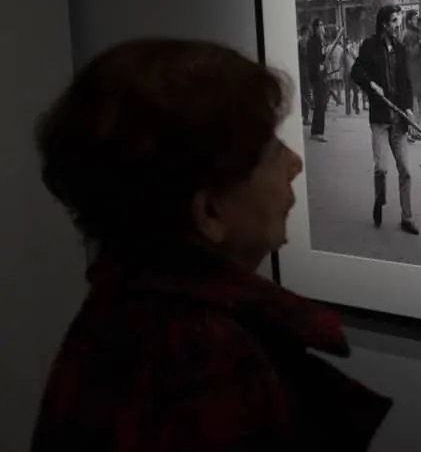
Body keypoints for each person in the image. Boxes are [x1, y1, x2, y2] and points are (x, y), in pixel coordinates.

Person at [29, 38, 392, 452]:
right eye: (270, 148)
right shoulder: (205, 360)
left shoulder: (118, 316)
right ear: (210, 212)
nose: (295, 162)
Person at [350, 5, 419, 235]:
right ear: (384, 24)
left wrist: (408, 108)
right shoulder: (370, 46)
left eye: (398, 21)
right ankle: (379, 201)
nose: (397, 26)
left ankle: (407, 218)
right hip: (380, 118)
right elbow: (356, 72)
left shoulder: (401, 48)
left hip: (398, 118)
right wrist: (371, 85)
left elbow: (407, 83)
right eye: (393, 22)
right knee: (381, 168)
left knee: (406, 171)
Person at [401, 10, 421, 139]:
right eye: (414, 19)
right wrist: (420, 43)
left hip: (419, 71)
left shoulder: (416, 33)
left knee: (419, 102)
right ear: (408, 21)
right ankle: (412, 130)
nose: (416, 21)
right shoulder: (407, 34)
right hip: (412, 72)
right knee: (414, 103)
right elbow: (409, 54)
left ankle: (416, 130)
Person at [306, 18, 329, 142]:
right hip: (316, 76)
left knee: (322, 102)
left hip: (322, 75)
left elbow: (322, 57)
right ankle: (317, 131)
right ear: (315, 28)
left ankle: (319, 130)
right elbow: (312, 59)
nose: (323, 27)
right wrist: (317, 66)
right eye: (320, 25)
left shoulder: (321, 41)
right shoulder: (312, 42)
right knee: (319, 102)